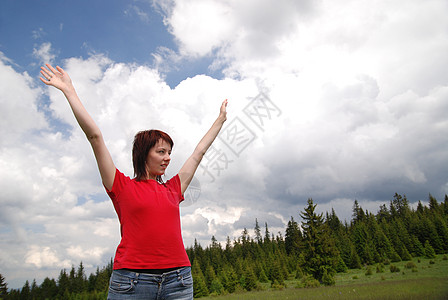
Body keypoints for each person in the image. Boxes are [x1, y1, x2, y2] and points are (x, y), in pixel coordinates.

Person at [40, 63, 227, 299]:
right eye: (161, 152)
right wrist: (69, 91)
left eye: (169, 152)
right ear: (143, 154)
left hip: (178, 281)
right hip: (131, 282)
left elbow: (198, 152)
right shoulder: (120, 186)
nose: (168, 158)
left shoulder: (173, 188)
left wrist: (220, 119)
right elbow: (95, 137)